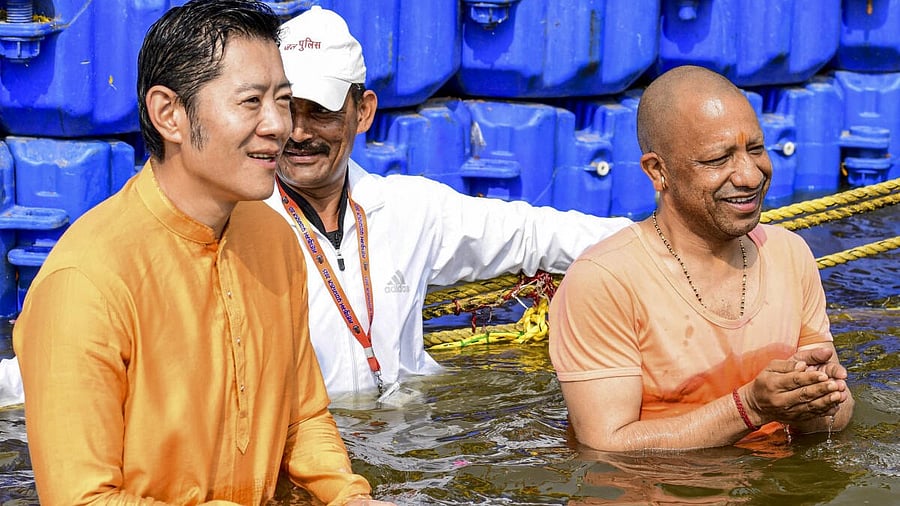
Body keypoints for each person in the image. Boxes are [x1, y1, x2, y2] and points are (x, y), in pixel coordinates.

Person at [12, 1, 392, 504]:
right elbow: (82, 499)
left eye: (283, 99)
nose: (280, 125)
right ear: (169, 113)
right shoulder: (87, 281)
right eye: (252, 102)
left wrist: (347, 494)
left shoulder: (274, 239)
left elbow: (303, 418)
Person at [267, 6, 634, 400]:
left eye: (321, 111)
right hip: (311, 442)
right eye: (288, 108)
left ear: (363, 111)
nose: (300, 132)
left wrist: (663, 243)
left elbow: (533, 235)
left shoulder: (407, 209)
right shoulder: (241, 223)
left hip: (404, 432)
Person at [548, 65, 854, 451]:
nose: (749, 175)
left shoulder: (789, 254)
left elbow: (834, 416)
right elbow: (606, 446)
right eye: (718, 159)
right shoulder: (605, 279)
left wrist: (816, 401)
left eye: (755, 149)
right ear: (658, 172)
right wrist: (751, 408)